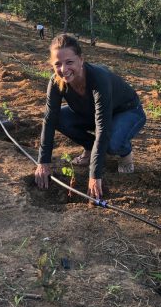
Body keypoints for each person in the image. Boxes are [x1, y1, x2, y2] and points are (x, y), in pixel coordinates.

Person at [35, 34, 146, 200]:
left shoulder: (98, 79)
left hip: (127, 111)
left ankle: (126, 152)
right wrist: (43, 162)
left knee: (111, 143)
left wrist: (95, 176)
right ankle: (90, 147)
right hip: (91, 113)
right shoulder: (56, 82)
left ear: (81, 60)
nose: (63, 69)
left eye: (69, 62)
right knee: (57, 117)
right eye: (57, 64)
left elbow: (103, 128)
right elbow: (49, 120)